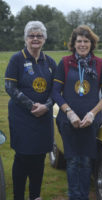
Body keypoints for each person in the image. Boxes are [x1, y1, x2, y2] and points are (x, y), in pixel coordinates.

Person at [51, 25, 102, 200]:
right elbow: (55, 92)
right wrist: (69, 112)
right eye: (79, 41)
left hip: (90, 122)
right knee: (72, 160)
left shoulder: (100, 64)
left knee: (85, 161)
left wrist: (92, 114)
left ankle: (83, 196)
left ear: (91, 44)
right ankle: (74, 196)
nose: (82, 45)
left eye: (86, 41)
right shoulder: (65, 62)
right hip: (68, 121)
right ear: (73, 43)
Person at [4, 21, 57, 200]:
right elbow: (10, 87)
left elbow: (56, 90)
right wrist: (31, 105)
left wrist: (46, 106)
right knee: (23, 157)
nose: (35, 39)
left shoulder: (50, 62)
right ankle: (18, 196)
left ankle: (35, 196)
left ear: (44, 39)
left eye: (39, 36)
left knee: (39, 157)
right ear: (25, 39)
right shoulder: (16, 59)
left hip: (43, 118)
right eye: (31, 36)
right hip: (22, 118)